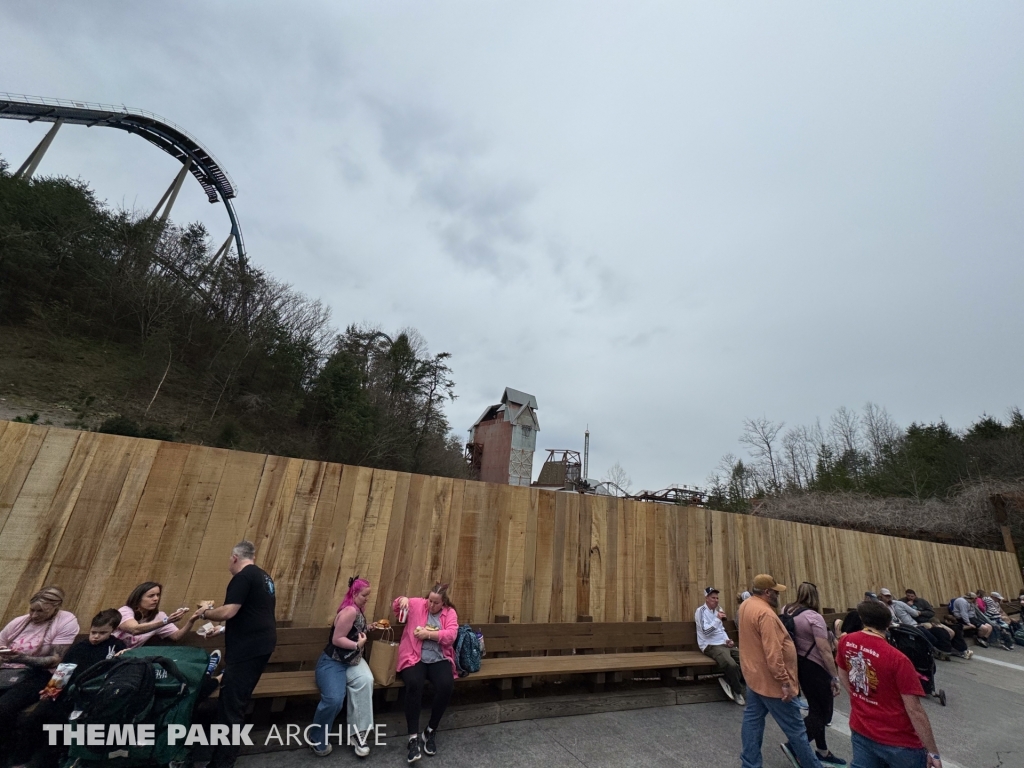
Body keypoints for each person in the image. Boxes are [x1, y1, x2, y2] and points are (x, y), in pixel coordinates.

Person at [191, 540, 277, 768]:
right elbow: (254, 615)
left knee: (232, 706)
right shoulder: (264, 578)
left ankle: (222, 763)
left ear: (235, 558)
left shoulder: (242, 577)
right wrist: (221, 630)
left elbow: (229, 611)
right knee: (236, 700)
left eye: (229, 559)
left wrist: (205, 613)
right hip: (261, 645)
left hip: (247, 650)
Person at [9, 609, 126, 768]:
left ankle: (44, 762)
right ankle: (20, 759)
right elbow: (64, 669)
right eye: (93, 632)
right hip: (63, 693)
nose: (96, 637)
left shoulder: (116, 647)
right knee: (34, 718)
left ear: (113, 630)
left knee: (58, 726)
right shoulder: (81, 646)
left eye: (102, 633)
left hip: (88, 696)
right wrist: (51, 690)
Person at [837, 600, 943, 768]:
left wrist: (858, 696)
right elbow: (914, 710)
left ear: (863, 620)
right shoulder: (898, 659)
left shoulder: (846, 641)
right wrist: (933, 751)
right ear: (888, 624)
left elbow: (842, 671)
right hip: (899, 741)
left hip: (861, 729)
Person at [738, 574, 823, 768]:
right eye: (776, 592)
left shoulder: (746, 605)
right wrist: (784, 681)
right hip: (772, 682)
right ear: (767, 592)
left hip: (754, 676)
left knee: (752, 721)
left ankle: (750, 764)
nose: (778, 595)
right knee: (796, 729)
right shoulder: (766, 614)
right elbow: (773, 651)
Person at [0, 587, 79, 759]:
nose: (34, 615)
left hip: (40, 673)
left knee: (4, 708)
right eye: (32, 610)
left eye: (41, 611)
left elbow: (56, 659)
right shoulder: (19, 622)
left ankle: (8, 755)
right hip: (7, 670)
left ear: (55, 608)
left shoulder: (65, 621)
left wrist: (22, 658)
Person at [309, 576, 375, 758]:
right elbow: (337, 639)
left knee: (366, 680)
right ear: (354, 594)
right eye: (364, 595)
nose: (367, 598)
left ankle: (358, 734)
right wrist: (357, 645)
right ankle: (316, 737)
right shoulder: (350, 611)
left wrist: (368, 627)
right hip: (333, 661)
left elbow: (354, 630)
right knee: (334, 699)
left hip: (351, 660)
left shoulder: (359, 609)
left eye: (368, 595)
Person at [393, 583, 458, 765]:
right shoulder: (418, 604)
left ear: (443, 603)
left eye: (436, 603)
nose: (431, 605)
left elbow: (451, 635)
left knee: (446, 685)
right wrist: (402, 600)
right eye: (430, 601)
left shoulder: (450, 613)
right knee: (414, 684)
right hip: (414, 656)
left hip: (438, 657)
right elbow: (396, 607)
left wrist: (429, 634)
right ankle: (413, 738)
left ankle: (430, 730)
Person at [782, 583, 844, 766]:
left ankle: (822, 750)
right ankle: (795, 746)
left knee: (815, 708)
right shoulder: (813, 617)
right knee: (823, 714)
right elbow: (825, 650)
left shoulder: (787, 609)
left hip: (799, 664)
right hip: (816, 667)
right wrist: (834, 676)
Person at [695, 586, 745, 706]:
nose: (716, 600)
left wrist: (728, 640)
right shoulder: (700, 611)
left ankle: (729, 680)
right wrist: (717, 620)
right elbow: (706, 632)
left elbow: (721, 630)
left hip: (723, 644)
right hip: (710, 645)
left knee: (747, 658)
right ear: (706, 598)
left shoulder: (717, 612)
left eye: (717, 598)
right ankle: (737, 691)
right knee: (731, 664)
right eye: (713, 598)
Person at [113, 581, 201, 648]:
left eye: (158, 595)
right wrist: (166, 621)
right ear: (138, 598)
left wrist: (192, 620)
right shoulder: (125, 611)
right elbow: (134, 630)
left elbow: (176, 636)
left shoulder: (159, 616)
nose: (156, 599)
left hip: (129, 656)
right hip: (110, 651)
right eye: (151, 596)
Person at [903, 589, 970, 660]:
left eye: (912, 596)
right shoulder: (903, 602)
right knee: (939, 631)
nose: (910, 598)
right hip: (919, 623)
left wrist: (921, 613)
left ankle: (950, 649)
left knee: (951, 632)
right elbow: (905, 614)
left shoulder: (922, 602)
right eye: (908, 596)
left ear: (915, 596)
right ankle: (940, 649)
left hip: (930, 620)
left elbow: (931, 612)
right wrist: (908, 606)